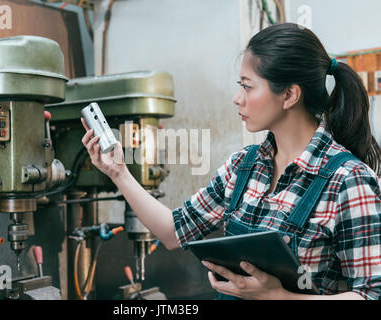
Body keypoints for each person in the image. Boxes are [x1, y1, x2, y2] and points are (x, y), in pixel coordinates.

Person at [80, 23, 381, 300]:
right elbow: (174, 232)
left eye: (247, 86)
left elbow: (371, 293)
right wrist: (119, 173)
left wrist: (284, 297)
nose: (237, 98)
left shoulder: (348, 180)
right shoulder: (242, 168)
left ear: (289, 95)